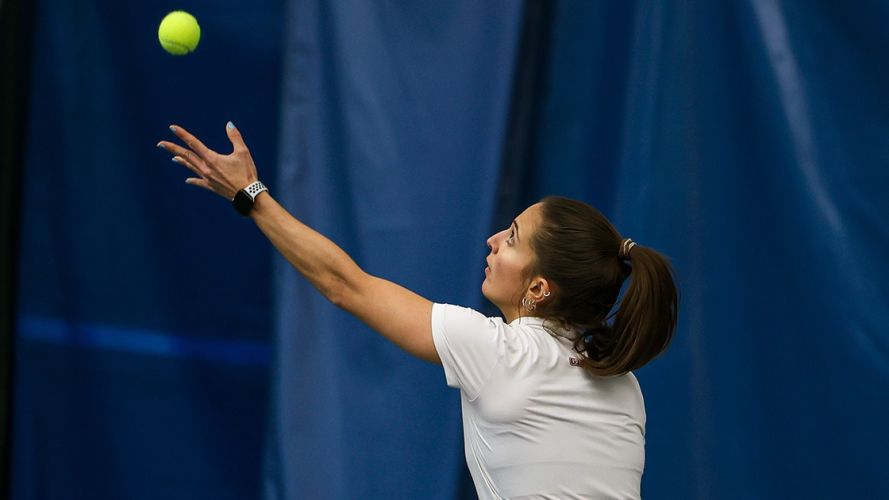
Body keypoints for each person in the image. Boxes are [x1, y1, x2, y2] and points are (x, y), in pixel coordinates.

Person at [157, 122, 679, 499]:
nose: (493, 240)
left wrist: (251, 195)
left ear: (539, 288)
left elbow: (345, 285)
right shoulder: (622, 382)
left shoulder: (500, 352)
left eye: (513, 239)